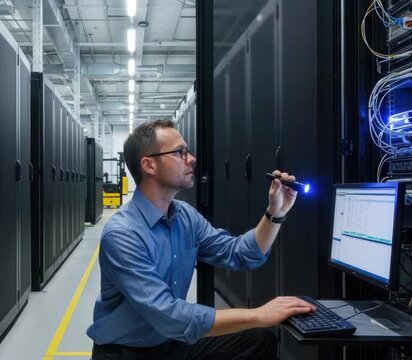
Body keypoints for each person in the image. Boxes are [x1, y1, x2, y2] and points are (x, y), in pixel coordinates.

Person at [87, 120, 315, 359]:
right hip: (127, 352)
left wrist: (275, 213)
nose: (192, 158)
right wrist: (259, 314)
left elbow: (240, 253)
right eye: (180, 152)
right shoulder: (123, 234)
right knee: (256, 325)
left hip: (171, 342)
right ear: (149, 165)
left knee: (258, 340)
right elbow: (169, 315)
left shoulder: (185, 216)